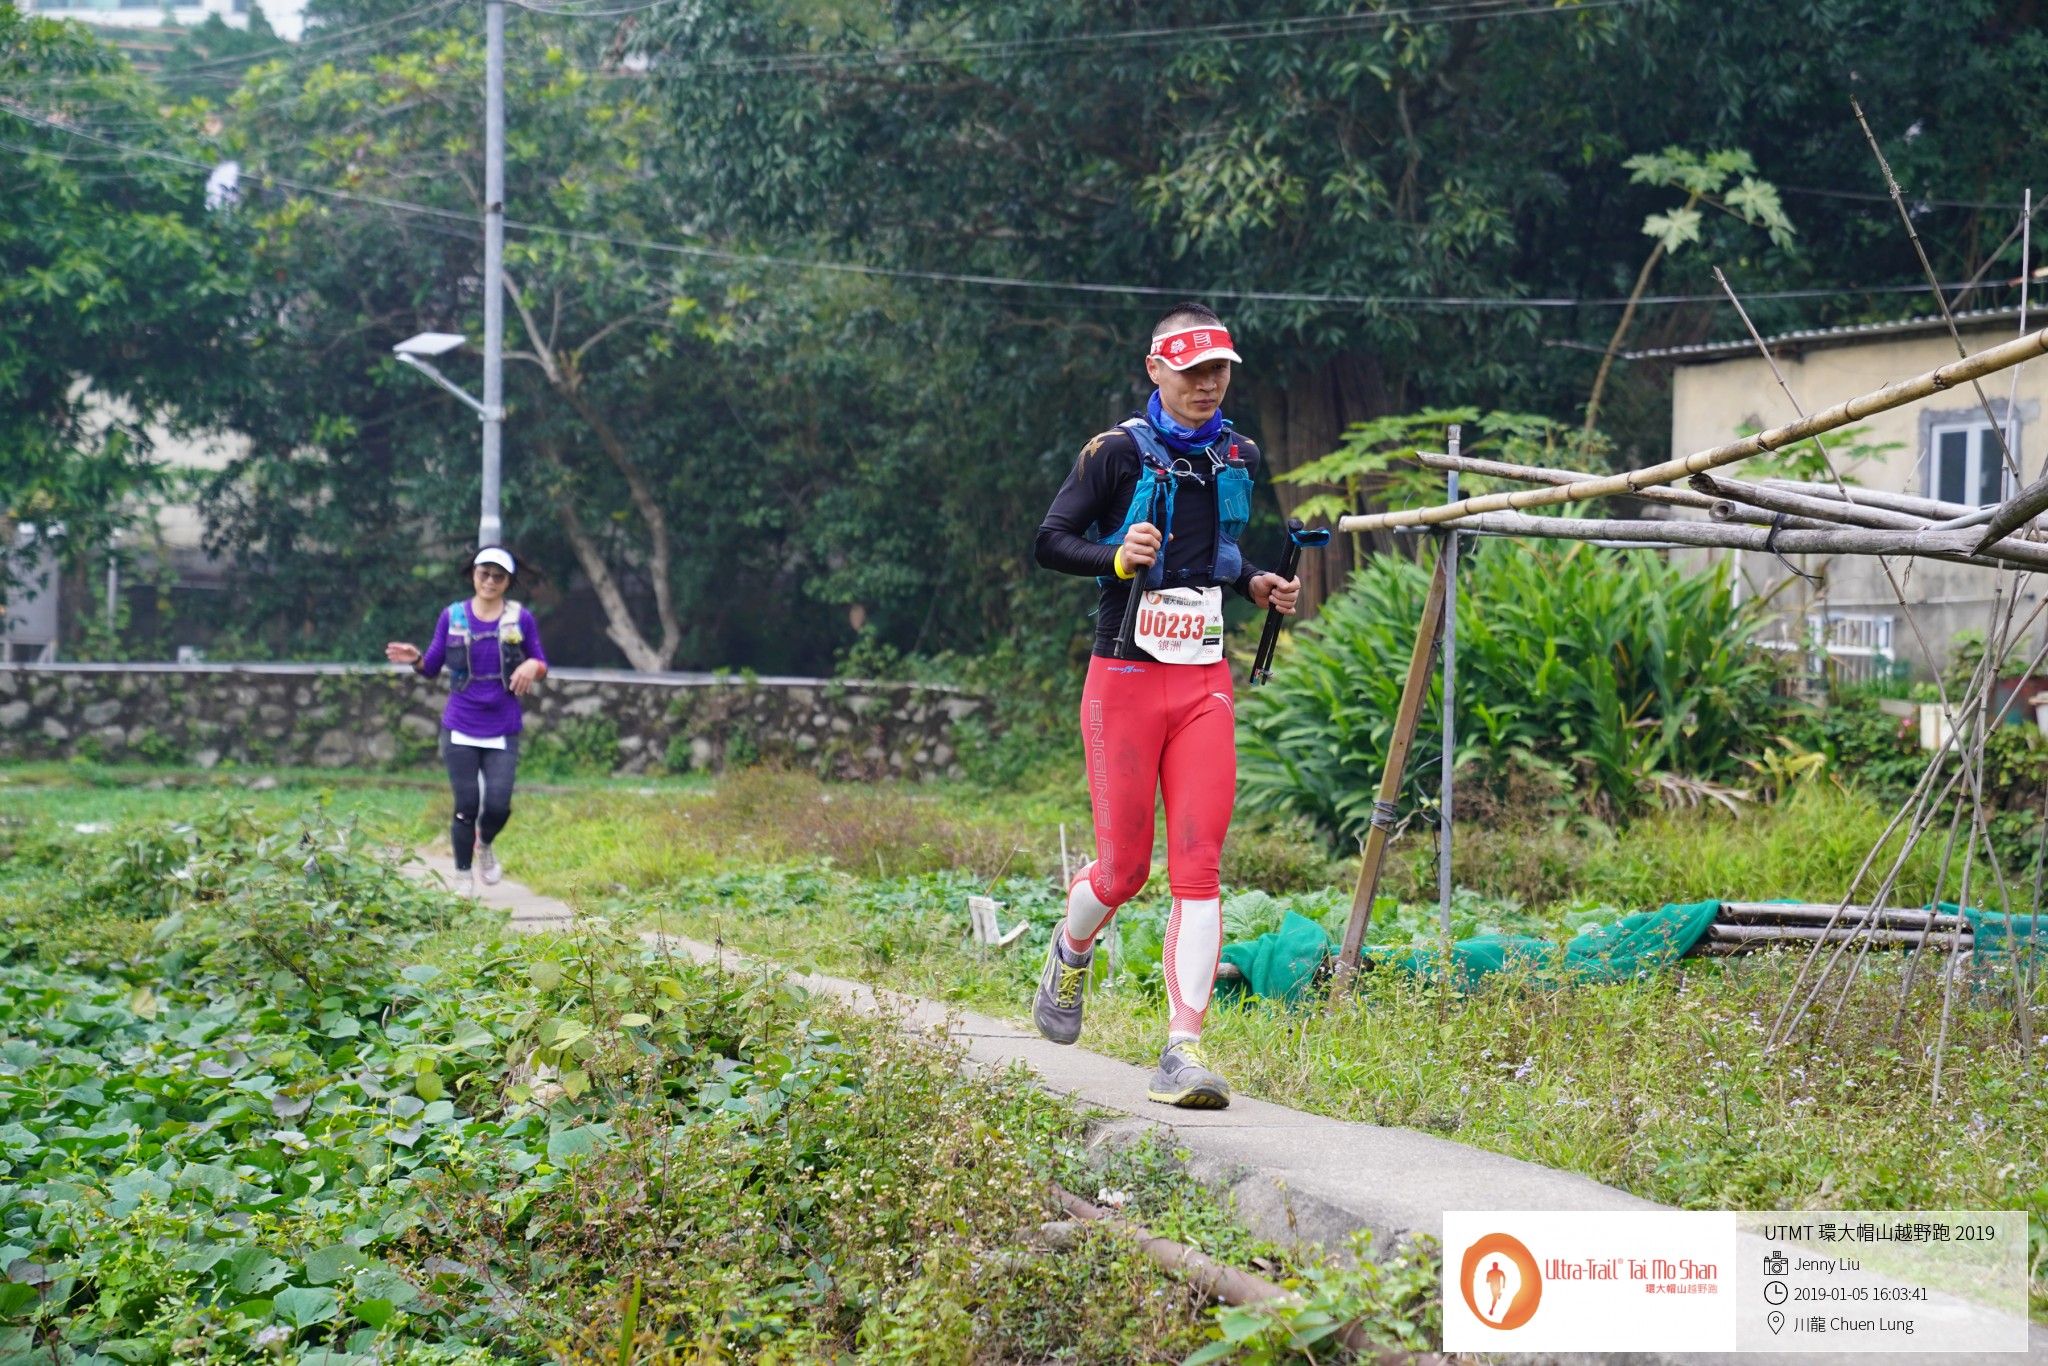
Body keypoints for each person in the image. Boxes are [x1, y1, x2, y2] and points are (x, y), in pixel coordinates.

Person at [1031, 303, 1300, 1108]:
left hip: (1204, 683)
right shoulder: (1112, 453)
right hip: (1124, 681)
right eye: (1192, 372)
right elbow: (1050, 541)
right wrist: (1115, 557)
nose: (1207, 386)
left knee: (1199, 868)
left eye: (1219, 372)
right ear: (1156, 370)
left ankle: (1183, 1050)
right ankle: (1071, 946)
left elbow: (1219, 554)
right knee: (1124, 871)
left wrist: (1256, 583)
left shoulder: (1238, 454)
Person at [385, 547, 548, 897]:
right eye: (483, 573)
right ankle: (462, 874)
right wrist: (415, 659)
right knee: (466, 806)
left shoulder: (520, 618)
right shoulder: (452, 616)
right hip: (460, 725)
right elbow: (430, 668)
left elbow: (541, 662)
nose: (490, 581)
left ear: (508, 582)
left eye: (498, 576)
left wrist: (531, 666)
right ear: (473, 575)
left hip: (503, 725)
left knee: (499, 805)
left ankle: (484, 844)